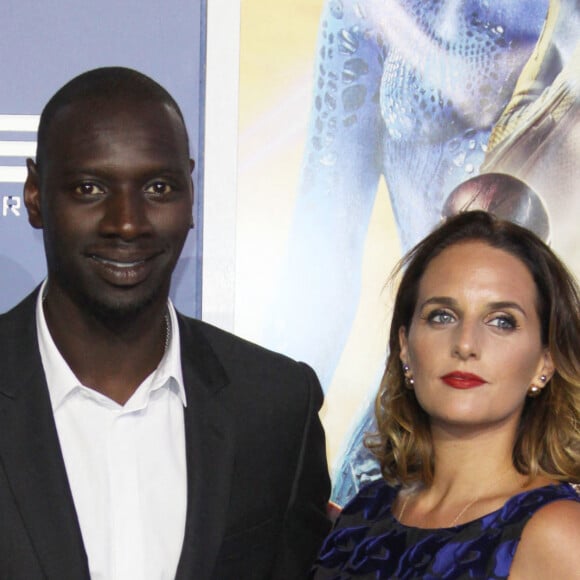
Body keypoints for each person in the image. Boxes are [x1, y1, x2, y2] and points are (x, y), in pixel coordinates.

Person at [0, 67, 331, 579]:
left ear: (191, 194)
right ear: (37, 195)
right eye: (89, 188)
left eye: (158, 186)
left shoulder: (277, 407)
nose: (127, 223)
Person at [310, 210, 580, 578]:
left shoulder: (559, 534)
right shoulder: (364, 511)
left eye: (502, 321)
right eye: (442, 316)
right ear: (405, 346)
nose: (466, 344)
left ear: (544, 363)